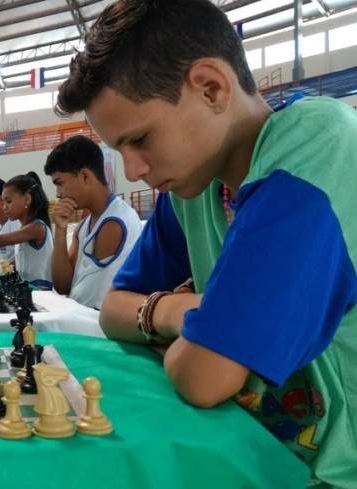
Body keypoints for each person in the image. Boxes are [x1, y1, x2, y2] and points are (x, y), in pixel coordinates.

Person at [57, 0, 357, 485]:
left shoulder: (315, 149)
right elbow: (113, 311)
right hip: (261, 455)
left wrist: (181, 340)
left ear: (211, 87)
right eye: (120, 151)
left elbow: (203, 378)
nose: (133, 170)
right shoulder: (194, 189)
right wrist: (178, 314)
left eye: (141, 139)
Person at [44, 135, 143, 309]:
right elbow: (62, 286)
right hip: (86, 321)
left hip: (98, 329)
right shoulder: (84, 225)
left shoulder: (114, 223)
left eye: (59, 183)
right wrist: (60, 230)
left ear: (85, 177)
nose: (58, 194)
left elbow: (89, 302)